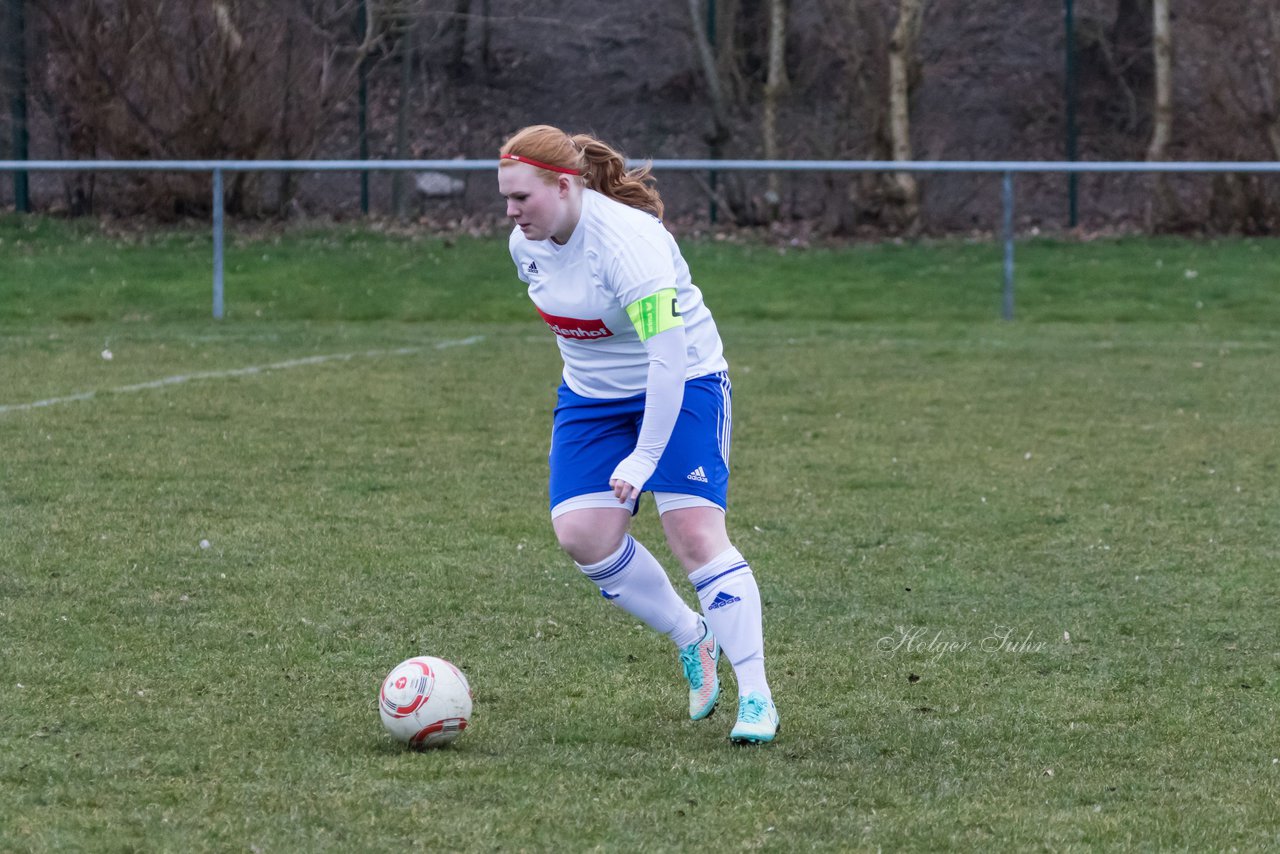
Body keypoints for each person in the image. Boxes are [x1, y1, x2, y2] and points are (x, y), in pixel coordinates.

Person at [497, 125, 778, 744]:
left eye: (522, 199)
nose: (511, 213)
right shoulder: (527, 244)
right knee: (583, 536)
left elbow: (666, 359)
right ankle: (692, 636)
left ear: (564, 185)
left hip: (684, 381)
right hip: (593, 399)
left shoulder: (631, 243)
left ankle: (755, 695)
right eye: (507, 199)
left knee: (695, 533)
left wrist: (644, 457)